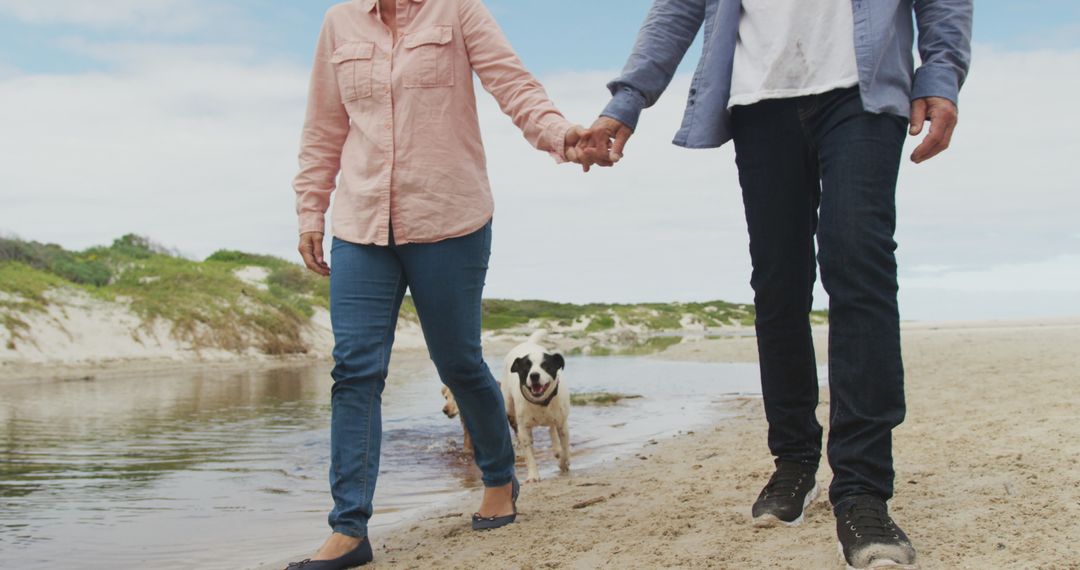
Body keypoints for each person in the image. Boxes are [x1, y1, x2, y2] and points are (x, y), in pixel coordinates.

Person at [578, 0, 972, 567]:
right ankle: (794, 459)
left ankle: (862, 491)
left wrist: (940, 74)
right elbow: (679, 7)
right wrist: (628, 99)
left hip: (862, 91)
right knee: (779, 286)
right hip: (759, 100)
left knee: (859, 268)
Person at [290, 0, 586, 567]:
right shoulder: (339, 22)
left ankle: (500, 479)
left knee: (458, 363)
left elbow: (514, 86)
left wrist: (563, 138)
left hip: (449, 217)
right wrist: (311, 211)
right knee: (354, 369)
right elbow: (323, 126)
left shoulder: (459, 12)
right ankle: (349, 527)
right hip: (360, 223)